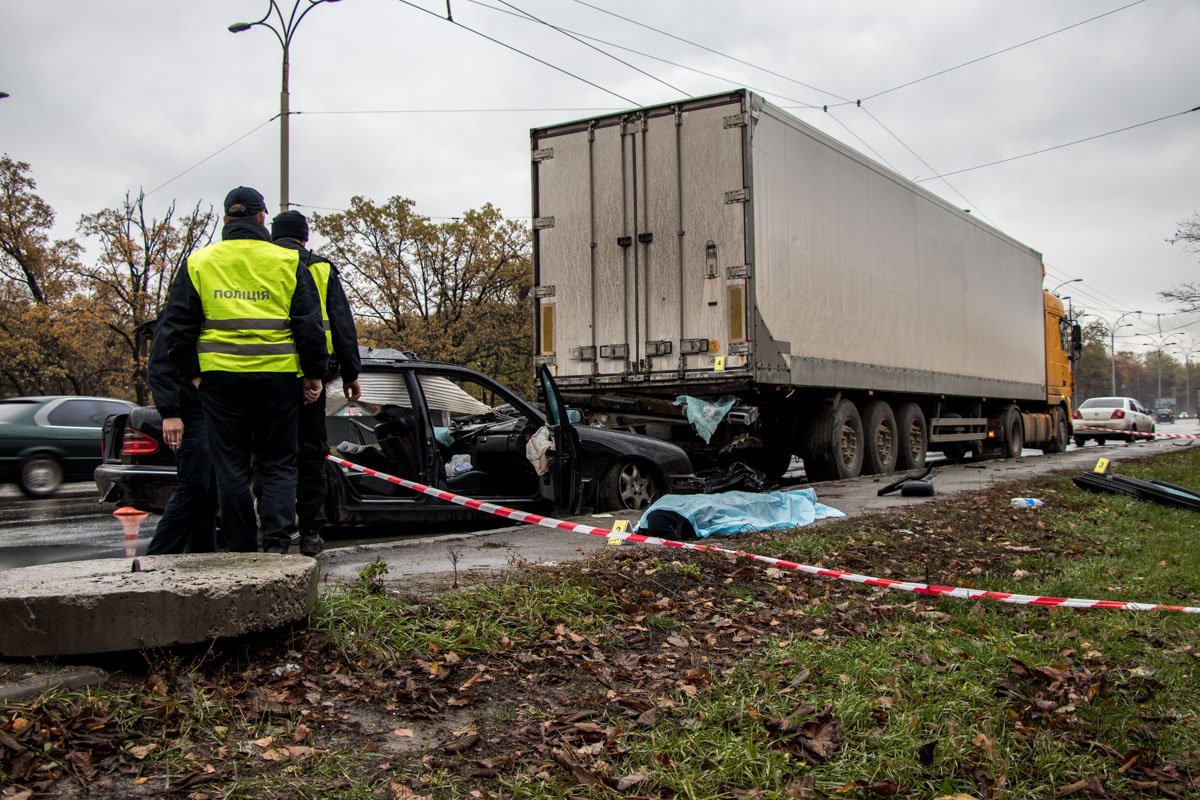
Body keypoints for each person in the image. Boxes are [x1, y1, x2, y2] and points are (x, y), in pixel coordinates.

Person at [161, 186, 327, 554]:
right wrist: (313, 374)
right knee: (279, 464)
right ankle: (277, 545)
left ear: (225, 219)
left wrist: (195, 375)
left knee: (231, 469)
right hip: (278, 380)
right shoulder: (287, 262)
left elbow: (176, 329)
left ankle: (241, 549)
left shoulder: (199, 263)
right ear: (262, 217)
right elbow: (309, 325)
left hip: (220, 382)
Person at [271, 210, 362, 556]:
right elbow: (341, 323)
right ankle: (310, 532)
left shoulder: (264, 263)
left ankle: (273, 533)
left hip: (267, 375)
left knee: (270, 457)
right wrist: (351, 373)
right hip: (313, 380)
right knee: (312, 455)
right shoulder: (320, 268)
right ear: (305, 237)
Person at [145, 317, 217, 554]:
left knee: (209, 493)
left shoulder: (204, 308)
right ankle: (158, 556)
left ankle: (201, 557)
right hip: (189, 413)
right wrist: (171, 413)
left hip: (208, 411)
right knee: (195, 486)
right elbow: (159, 366)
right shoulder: (177, 311)